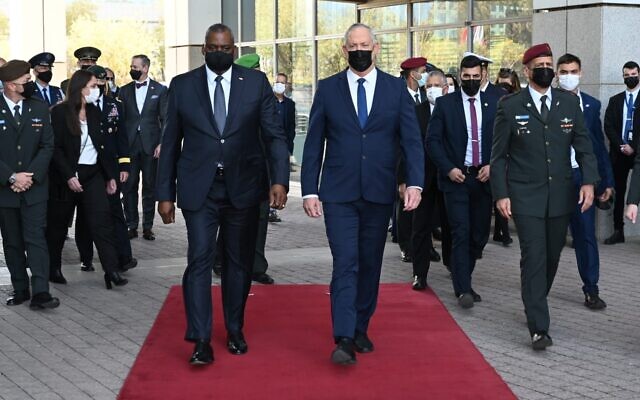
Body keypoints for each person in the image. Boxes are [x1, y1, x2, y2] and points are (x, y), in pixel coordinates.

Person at [156, 23, 289, 366]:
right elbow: (170, 143)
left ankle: (234, 328)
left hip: (243, 187)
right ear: (204, 49)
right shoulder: (183, 86)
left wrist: (280, 180)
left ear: (234, 50)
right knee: (199, 260)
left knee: (237, 262)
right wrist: (164, 193)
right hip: (200, 188)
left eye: (225, 48)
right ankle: (200, 338)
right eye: (213, 47)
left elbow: (273, 135)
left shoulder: (255, 83)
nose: (219, 52)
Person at [301, 23, 424, 365]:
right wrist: (309, 190)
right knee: (346, 263)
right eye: (352, 45)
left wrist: (415, 182)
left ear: (375, 48)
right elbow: (314, 143)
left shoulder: (395, 89)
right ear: (344, 50)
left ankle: (359, 327)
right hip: (338, 193)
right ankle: (342, 336)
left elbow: (411, 140)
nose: (359, 50)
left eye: (364, 44)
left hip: (379, 191)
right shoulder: (328, 89)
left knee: (370, 263)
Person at [491, 43, 599, 350]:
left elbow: (584, 146)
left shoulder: (568, 104)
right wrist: (501, 194)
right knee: (535, 255)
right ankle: (539, 326)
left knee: (551, 256)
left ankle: (533, 295)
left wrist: (589, 181)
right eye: (540, 64)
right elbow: (498, 156)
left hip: (560, 195)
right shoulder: (510, 105)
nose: (546, 69)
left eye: (549, 64)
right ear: (526, 71)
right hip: (525, 196)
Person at [426, 55, 499, 308]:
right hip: (456, 179)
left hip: (483, 178)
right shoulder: (446, 104)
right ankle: (463, 288)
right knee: (461, 232)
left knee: (478, 236)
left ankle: (463, 276)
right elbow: (432, 141)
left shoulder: (496, 101)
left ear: (483, 76)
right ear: (459, 76)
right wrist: (448, 168)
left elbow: (504, 140)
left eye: (475, 77)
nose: (470, 81)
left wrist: (492, 165)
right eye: (465, 77)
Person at [46, 69, 128, 289]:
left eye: (97, 86)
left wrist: (110, 176)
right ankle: (53, 268)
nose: (97, 89)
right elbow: (56, 149)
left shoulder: (94, 111)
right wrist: (69, 176)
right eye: (92, 86)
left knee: (102, 223)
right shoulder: (60, 113)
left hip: (93, 175)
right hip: (66, 177)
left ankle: (111, 271)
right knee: (58, 226)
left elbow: (103, 146)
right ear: (80, 88)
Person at [0, 60, 59, 309]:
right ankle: (21, 289)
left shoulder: (38, 107)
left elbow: (48, 145)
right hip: (5, 190)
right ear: (11, 85)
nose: (30, 83)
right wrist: (12, 177)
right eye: (25, 80)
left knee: (36, 239)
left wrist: (29, 176)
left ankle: (41, 292)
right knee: (12, 242)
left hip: (34, 189)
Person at [556, 53, 613, 310]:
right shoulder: (548, 102)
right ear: (557, 74)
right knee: (547, 239)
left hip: (581, 179)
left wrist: (605, 182)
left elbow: (598, 147)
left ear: (581, 73)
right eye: (564, 71)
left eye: (573, 71)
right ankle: (536, 286)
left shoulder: (591, 105)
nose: (569, 76)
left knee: (585, 236)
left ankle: (591, 289)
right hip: (553, 179)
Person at [73, 65, 137, 273]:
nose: (101, 86)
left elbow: (122, 138)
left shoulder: (114, 105)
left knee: (115, 212)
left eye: (105, 81)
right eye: (97, 82)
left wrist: (124, 164)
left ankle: (124, 257)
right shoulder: (80, 106)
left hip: (109, 168)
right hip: (88, 169)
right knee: (85, 216)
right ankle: (86, 257)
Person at [404, 67, 450, 290]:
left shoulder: (454, 109)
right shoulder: (416, 111)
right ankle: (419, 274)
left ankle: (454, 266)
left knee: (451, 226)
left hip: (450, 177)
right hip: (422, 179)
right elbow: (404, 146)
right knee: (420, 228)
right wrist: (402, 179)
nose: (432, 90)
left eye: (436, 86)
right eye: (428, 86)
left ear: (446, 88)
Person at [120, 54, 167, 241]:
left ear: (145, 68)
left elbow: (166, 119)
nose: (132, 69)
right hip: (130, 145)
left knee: (149, 187)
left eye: (136, 66)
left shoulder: (161, 90)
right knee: (129, 186)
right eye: (131, 66)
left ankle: (148, 226)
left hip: (151, 145)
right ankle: (131, 224)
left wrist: (162, 143)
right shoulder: (124, 91)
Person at [603, 61, 640, 245]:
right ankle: (618, 230)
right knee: (618, 190)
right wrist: (621, 145)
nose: (630, 77)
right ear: (623, 77)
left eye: (634, 74)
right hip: (620, 153)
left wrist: (633, 145)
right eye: (627, 75)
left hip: (638, 150)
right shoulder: (615, 100)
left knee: (637, 188)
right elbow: (608, 125)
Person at [396, 57, 428, 264]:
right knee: (406, 209)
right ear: (412, 74)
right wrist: (401, 177)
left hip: (423, 161)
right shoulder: (398, 96)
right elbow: (397, 140)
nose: (424, 75)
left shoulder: (424, 96)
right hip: (404, 162)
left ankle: (422, 246)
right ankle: (405, 245)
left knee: (423, 210)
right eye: (422, 71)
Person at [491, 67, 520, 246]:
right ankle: (501, 230)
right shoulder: (496, 99)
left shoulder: (518, 100)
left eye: (507, 85)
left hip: (514, 151)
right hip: (500, 149)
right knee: (500, 190)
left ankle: (503, 229)